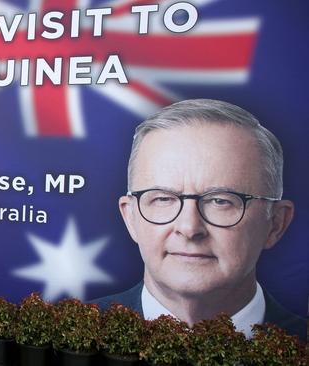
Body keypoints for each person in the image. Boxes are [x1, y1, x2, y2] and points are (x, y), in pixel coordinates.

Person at [94, 99, 307, 341]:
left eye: (220, 201)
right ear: (130, 218)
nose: (189, 228)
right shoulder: (56, 343)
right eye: (163, 199)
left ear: (276, 223)